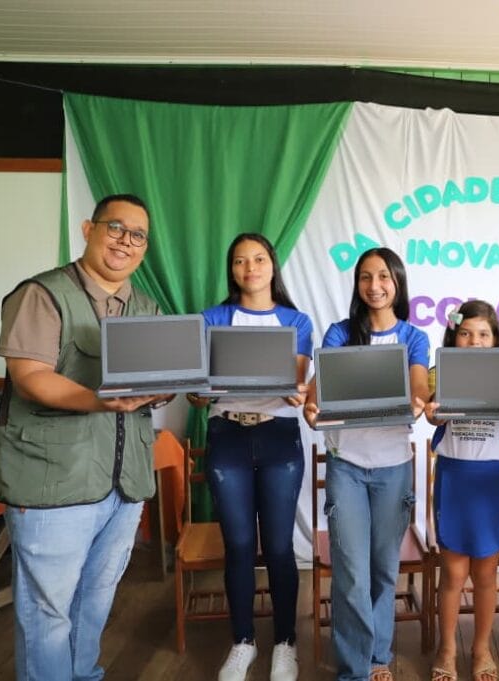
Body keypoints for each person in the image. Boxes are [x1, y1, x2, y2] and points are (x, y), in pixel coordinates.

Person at [0, 194, 168, 681]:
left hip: (125, 484)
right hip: (54, 483)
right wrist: (100, 400)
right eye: (116, 228)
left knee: (94, 601)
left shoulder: (147, 308)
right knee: (47, 612)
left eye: (138, 235)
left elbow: (158, 381)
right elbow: (31, 377)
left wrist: (169, 386)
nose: (126, 241)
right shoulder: (42, 295)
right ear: (89, 229)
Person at [186, 233, 313, 681]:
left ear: (272, 265)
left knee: (278, 546)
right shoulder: (212, 318)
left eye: (258, 259)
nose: (250, 268)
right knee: (239, 545)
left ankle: (285, 643)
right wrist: (199, 393)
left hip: (279, 437)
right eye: (240, 261)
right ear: (232, 269)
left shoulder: (296, 321)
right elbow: (197, 390)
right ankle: (242, 642)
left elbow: (293, 380)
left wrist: (294, 391)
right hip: (228, 437)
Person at [303, 247, 430, 681]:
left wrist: (418, 399)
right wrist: (312, 403)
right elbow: (318, 387)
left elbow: (419, 383)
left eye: (383, 277)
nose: (374, 286)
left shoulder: (413, 337)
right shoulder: (341, 333)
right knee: (351, 574)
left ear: (397, 283)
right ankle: (354, 669)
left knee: (383, 570)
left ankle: (377, 657)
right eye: (365, 277)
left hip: (394, 467)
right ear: (357, 284)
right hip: (347, 466)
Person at [423, 301, 499, 681]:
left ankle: (481, 650)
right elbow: (433, 414)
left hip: (490, 480)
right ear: (454, 336)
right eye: (466, 333)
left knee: (486, 574)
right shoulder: (439, 373)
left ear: (495, 340)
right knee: (453, 573)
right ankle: (446, 650)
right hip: (454, 478)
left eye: (484, 334)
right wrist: (432, 412)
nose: (474, 341)